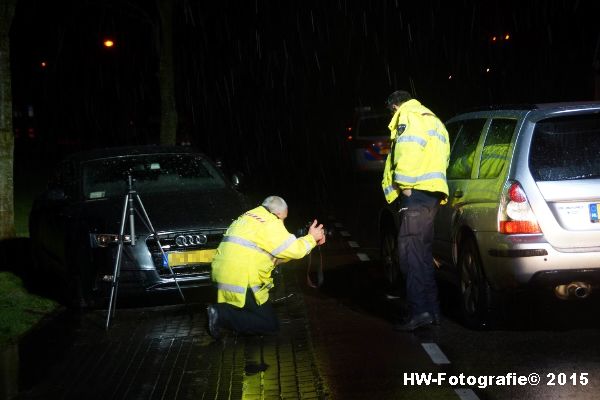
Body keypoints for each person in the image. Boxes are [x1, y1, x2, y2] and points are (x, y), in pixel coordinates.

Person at [207, 195, 326, 339]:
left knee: (253, 313)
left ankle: (223, 315)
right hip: (242, 280)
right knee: (269, 324)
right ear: (277, 213)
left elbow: (274, 255)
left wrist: (309, 244)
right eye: (283, 218)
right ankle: (220, 315)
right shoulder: (270, 222)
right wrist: (312, 238)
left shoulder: (245, 218)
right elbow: (294, 249)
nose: (282, 222)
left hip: (223, 274)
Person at [381, 90, 450, 331]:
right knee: (422, 254)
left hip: (416, 193)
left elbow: (407, 151)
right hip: (432, 194)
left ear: (394, 106)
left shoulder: (408, 116)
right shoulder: (433, 119)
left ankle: (419, 311)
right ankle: (432, 311)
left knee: (410, 255)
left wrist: (405, 187)